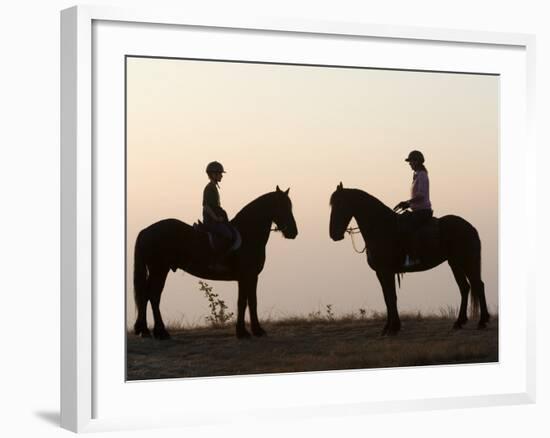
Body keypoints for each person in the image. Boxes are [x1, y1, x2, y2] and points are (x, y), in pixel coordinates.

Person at [393, 150, 433, 267]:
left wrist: (407, 202)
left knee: (406, 227)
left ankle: (413, 257)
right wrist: (407, 204)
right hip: (416, 210)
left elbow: (421, 195)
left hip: (423, 211)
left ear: (417, 162)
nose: (410, 164)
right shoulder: (416, 175)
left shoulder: (422, 175)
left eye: (411, 161)